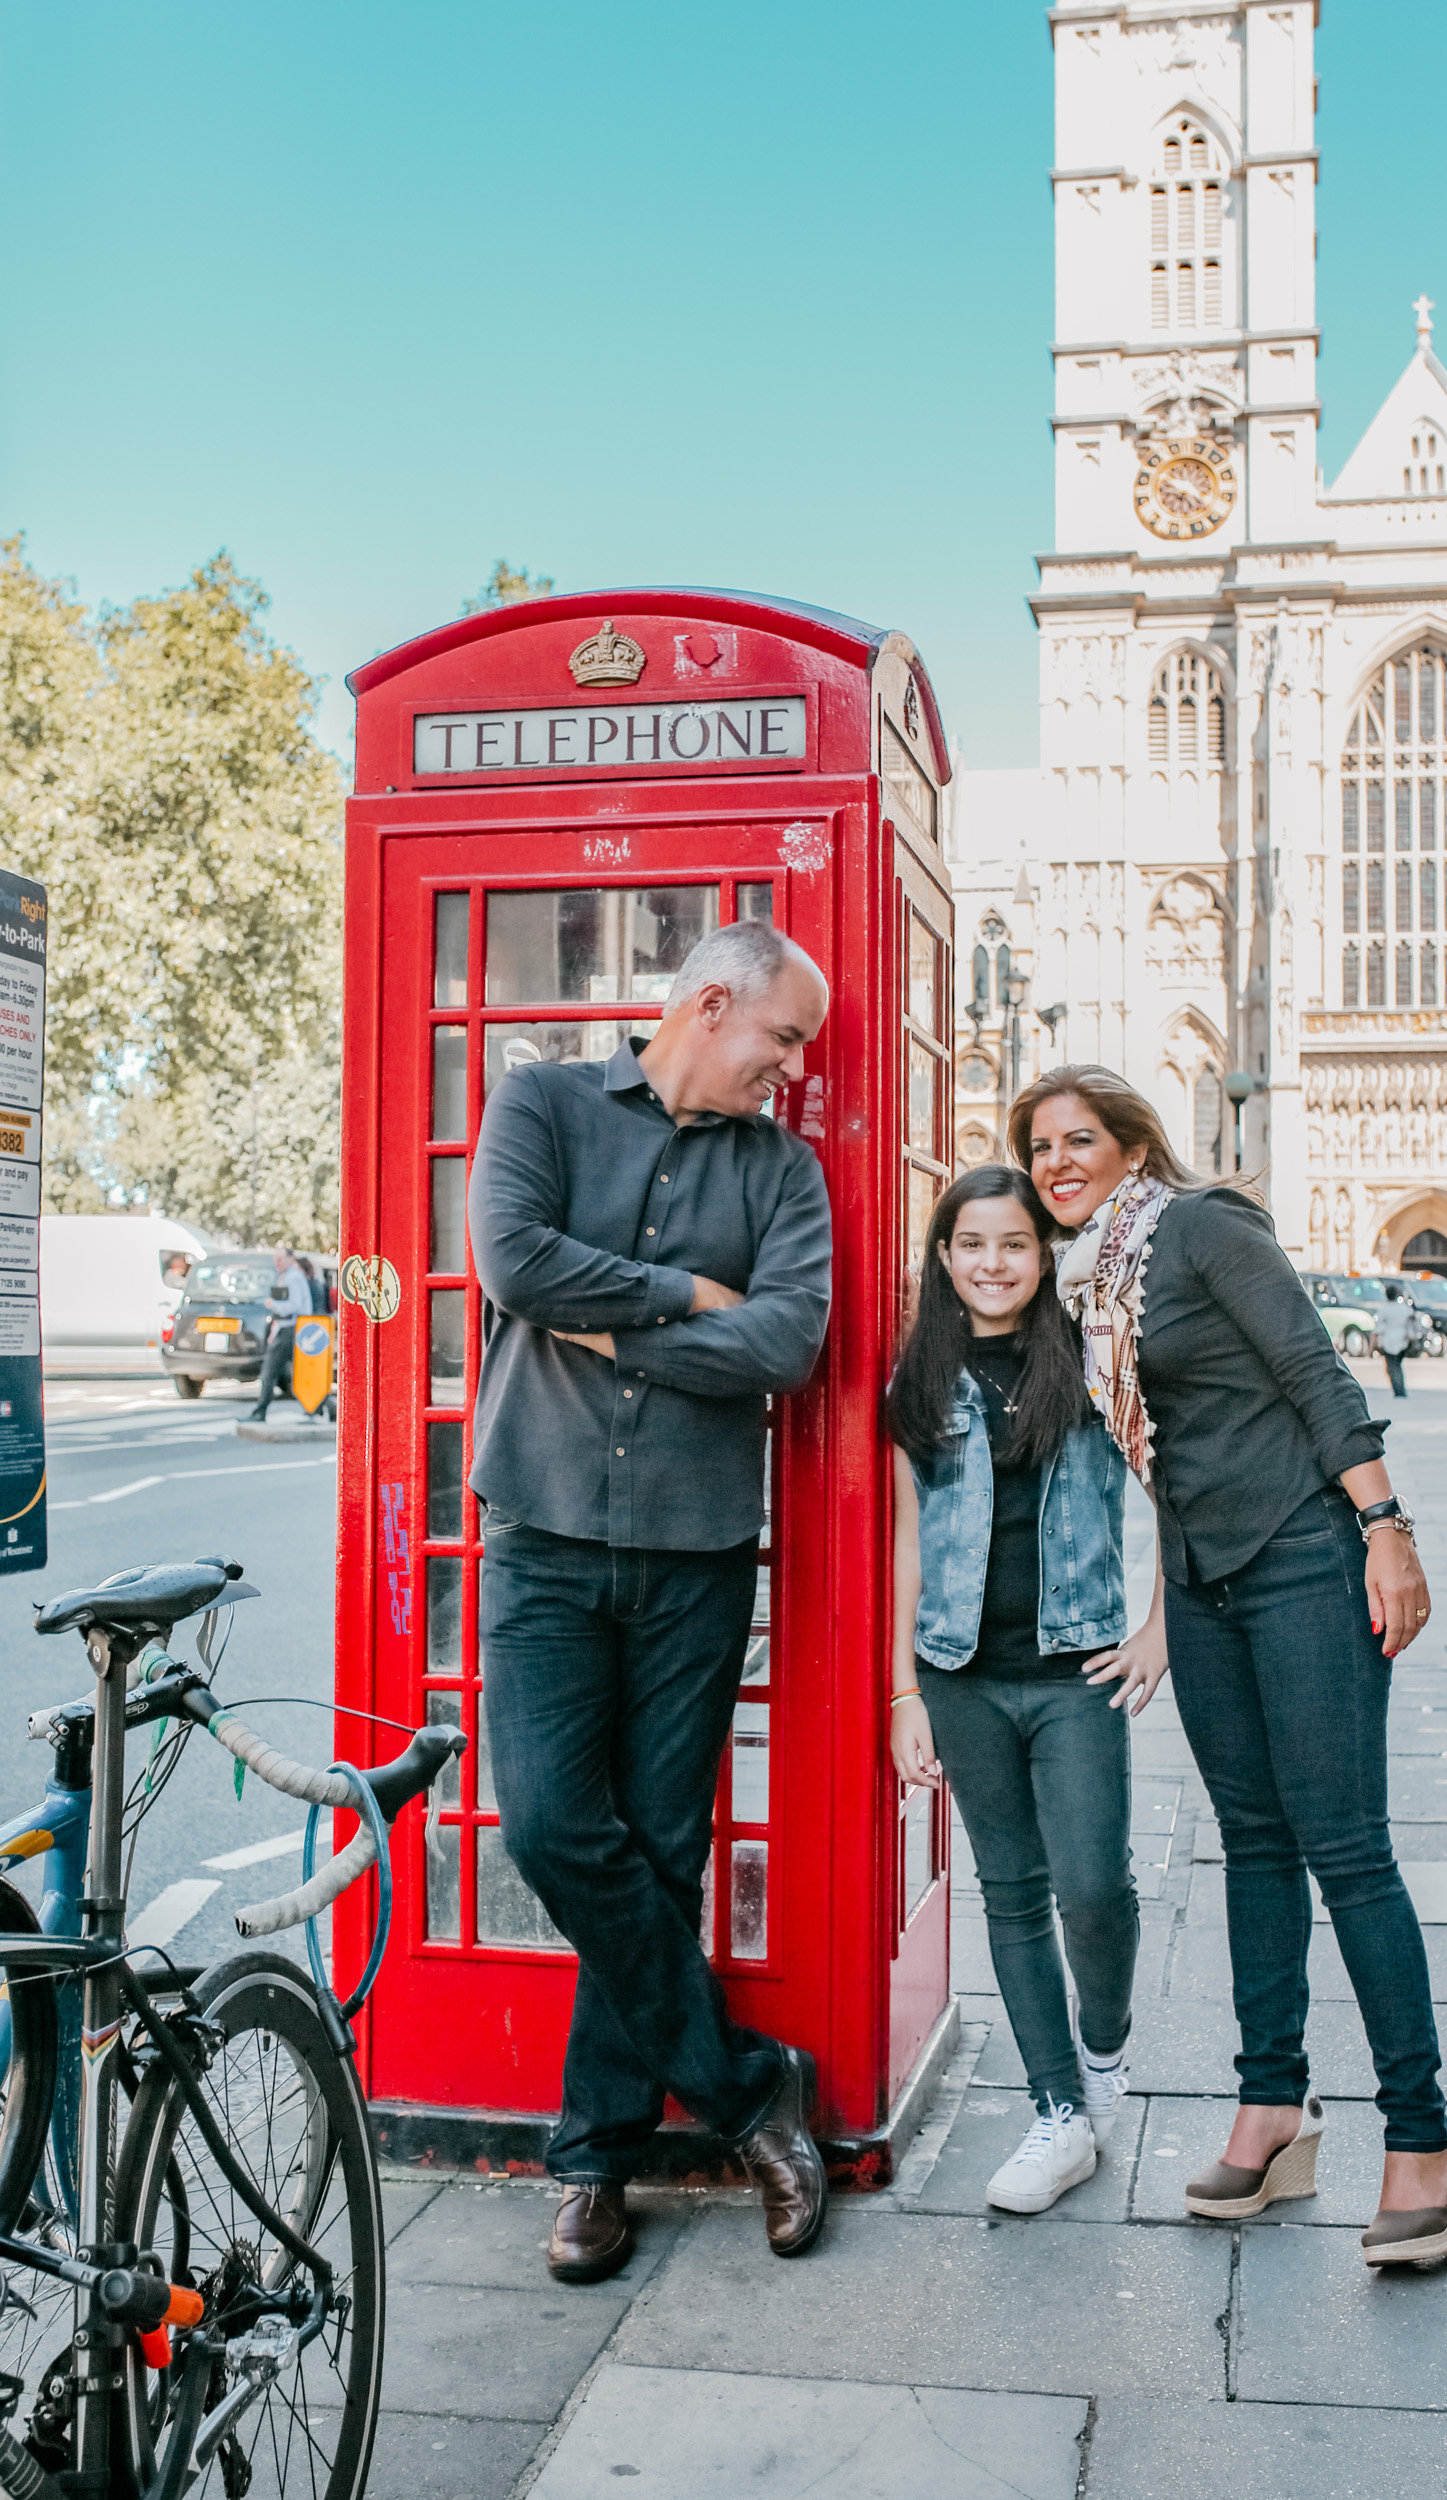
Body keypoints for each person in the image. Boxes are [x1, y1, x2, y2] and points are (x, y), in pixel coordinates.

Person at [1014, 1066, 1447, 2270]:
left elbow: (1312, 1375)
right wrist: (1170, 1599)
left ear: (1128, 1146)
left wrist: (1386, 1530)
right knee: (1252, 1844)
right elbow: (1167, 1454)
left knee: (1344, 1849)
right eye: (1039, 1148)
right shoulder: (1088, 1287)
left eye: (1078, 1139)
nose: (1057, 1160)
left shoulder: (1202, 1227)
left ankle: (1423, 2146)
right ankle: (1271, 2110)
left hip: (1306, 1557)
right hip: (1210, 1586)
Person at [467, 917, 834, 2284]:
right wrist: (685, 1295)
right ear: (708, 1003)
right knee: (559, 1829)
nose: (788, 1070)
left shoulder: (782, 1171)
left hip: (692, 1547)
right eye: (779, 1039)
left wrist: (613, 1322)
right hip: (544, 1530)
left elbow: (787, 1339)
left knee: (664, 1850)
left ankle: (594, 2163)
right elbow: (515, 1264)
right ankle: (749, 2090)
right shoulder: (542, 1104)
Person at [886, 1166, 1163, 2215]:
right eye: (970, 1245)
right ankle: (1055, 2109)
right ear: (944, 1258)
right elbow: (905, 1540)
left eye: (1012, 1244)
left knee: (1092, 1887)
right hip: (959, 1672)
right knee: (1007, 1892)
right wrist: (900, 1691)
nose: (992, 1263)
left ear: (1042, 1255)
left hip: (1073, 1667)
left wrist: (1155, 1630)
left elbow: (1177, 1482)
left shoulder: (1092, 1364)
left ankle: (1101, 2049)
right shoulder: (921, 1372)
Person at [248, 1247, 312, 1420]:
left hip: (290, 1329)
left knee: (269, 1371)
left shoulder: (292, 1277)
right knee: (299, 1371)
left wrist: (272, 1305)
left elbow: (294, 1306)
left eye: (281, 1259)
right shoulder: (288, 1276)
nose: (277, 1263)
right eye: (275, 1259)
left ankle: (260, 1412)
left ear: (291, 1259)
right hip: (288, 1328)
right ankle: (323, 1405)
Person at [1376, 1283, 1421, 1400]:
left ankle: (1398, 1390)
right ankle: (1401, 1389)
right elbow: (1413, 1318)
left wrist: (1373, 1345)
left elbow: (1377, 1328)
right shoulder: (1404, 1308)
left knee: (1391, 1367)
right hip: (1403, 1340)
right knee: (1398, 1366)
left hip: (1388, 1341)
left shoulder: (1385, 1310)